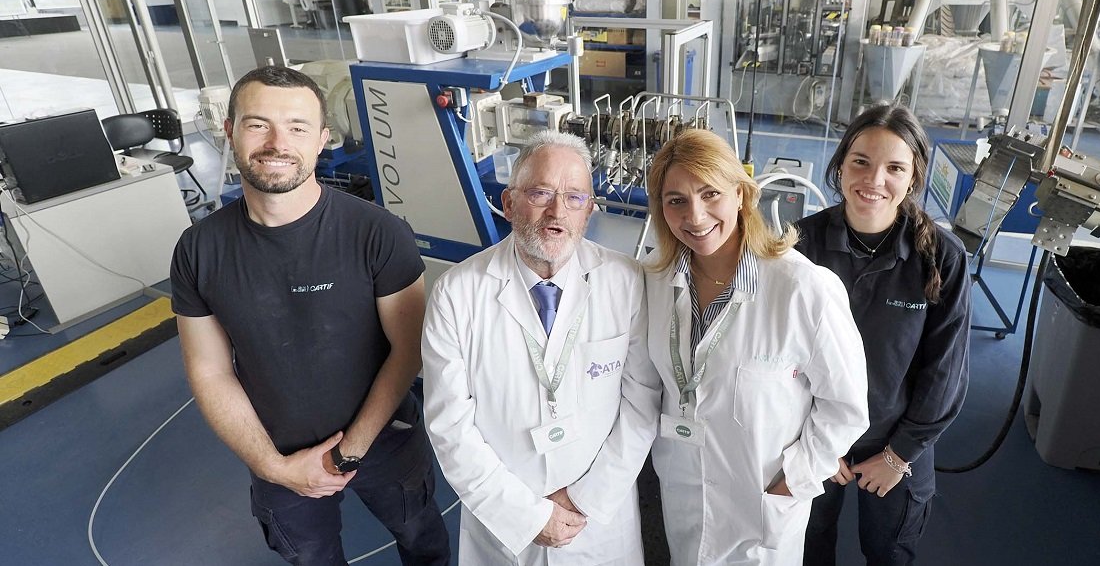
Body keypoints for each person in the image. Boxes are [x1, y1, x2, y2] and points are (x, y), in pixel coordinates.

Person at [170, 66, 451, 566]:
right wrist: (273, 467)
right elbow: (209, 371)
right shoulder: (199, 249)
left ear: (322, 139)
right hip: (276, 453)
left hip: (385, 439)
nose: (278, 142)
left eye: (297, 127)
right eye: (258, 124)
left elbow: (409, 351)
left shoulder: (378, 233)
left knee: (420, 536)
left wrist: (347, 453)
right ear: (229, 131)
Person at [421, 130, 660, 564]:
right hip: (504, 522)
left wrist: (584, 498)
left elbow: (642, 401)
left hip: (596, 519)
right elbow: (448, 425)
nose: (557, 211)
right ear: (509, 203)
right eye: (541, 192)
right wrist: (523, 514)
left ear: (589, 210)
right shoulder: (457, 293)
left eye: (574, 197)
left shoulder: (624, 281)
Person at [642, 127, 870, 564]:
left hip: (763, 503)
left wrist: (793, 482)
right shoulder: (655, 284)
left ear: (742, 196)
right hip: (684, 489)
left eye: (711, 194)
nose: (695, 215)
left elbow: (846, 407)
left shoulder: (803, 289)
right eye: (677, 201)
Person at [796, 104, 971, 566]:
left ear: (913, 178)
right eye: (861, 162)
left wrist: (899, 455)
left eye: (894, 167)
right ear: (840, 165)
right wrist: (811, 445)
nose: (874, 180)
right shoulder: (801, 245)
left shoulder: (941, 258)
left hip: (897, 440)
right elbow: (779, 356)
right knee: (807, 547)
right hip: (812, 436)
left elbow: (945, 371)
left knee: (889, 551)